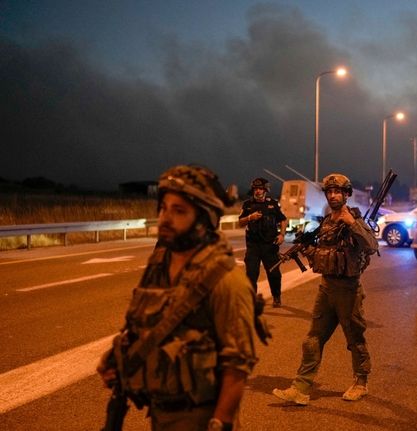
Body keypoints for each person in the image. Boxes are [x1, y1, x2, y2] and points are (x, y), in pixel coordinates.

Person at [97, 165, 260, 431]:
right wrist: (117, 359)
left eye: (179, 211)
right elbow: (142, 321)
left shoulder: (226, 281)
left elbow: (237, 366)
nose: (165, 218)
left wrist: (221, 423)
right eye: (163, 208)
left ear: (204, 217)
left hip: (200, 418)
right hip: (160, 413)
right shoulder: (160, 262)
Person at [272, 173, 378, 405]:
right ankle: (300, 388)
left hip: (349, 290)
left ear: (347, 194)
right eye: (329, 192)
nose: (333, 195)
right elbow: (323, 253)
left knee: (355, 339)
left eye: (338, 192)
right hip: (327, 288)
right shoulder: (326, 222)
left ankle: (361, 383)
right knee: (312, 339)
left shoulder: (355, 220)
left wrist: (352, 224)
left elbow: (371, 246)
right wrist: (307, 250)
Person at [238, 177, 287, 307]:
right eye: (255, 189)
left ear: (265, 190)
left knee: (274, 273)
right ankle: (251, 300)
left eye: (260, 189)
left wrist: (282, 235)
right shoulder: (247, 204)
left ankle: (276, 297)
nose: (258, 191)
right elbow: (240, 223)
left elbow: (283, 220)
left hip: (270, 245)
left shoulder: (273, 204)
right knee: (251, 274)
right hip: (253, 246)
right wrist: (250, 217)